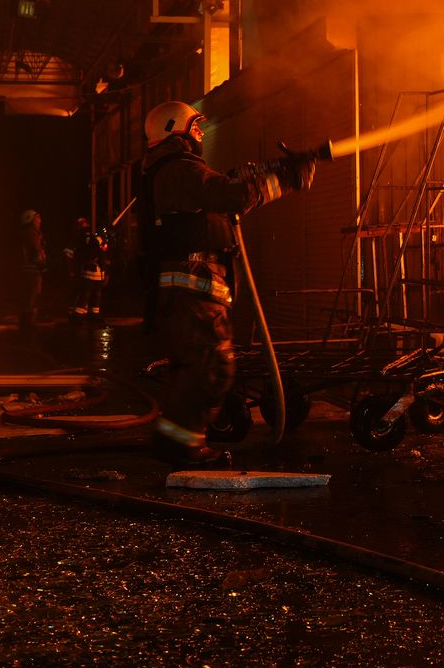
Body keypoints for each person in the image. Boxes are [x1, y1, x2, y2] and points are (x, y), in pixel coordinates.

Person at [137, 101, 320, 466]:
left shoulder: (175, 171)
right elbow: (228, 194)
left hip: (189, 292)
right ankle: (186, 449)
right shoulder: (180, 169)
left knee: (192, 369)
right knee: (212, 368)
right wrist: (283, 180)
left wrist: (269, 169)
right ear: (177, 130)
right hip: (194, 291)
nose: (201, 133)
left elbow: (220, 188)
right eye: (196, 126)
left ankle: (175, 444)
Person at [67, 216, 109, 322]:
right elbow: (101, 254)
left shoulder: (81, 239)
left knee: (88, 293)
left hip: (88, 271)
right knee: (89, 293)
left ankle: (84, 313)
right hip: (93, 271)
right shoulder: (90, 239)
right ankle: (83, 313)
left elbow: (75, 255)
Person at [17, 209, 46, 330]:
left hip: (29, 268)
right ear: (30, 219)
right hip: (32, 269)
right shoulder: (32, 233)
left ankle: (26, 321)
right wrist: (42, 263)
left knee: (29, 295)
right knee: (33, 294)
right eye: (37, 218)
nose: (40, 220)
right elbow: (36, 250)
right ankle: (28, 322)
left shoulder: (31, 232)